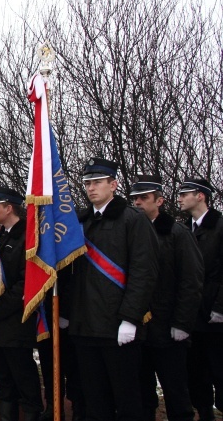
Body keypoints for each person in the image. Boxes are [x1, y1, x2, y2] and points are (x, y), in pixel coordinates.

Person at [65, 158, 159, 421]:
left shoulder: (133, 220)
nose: (91, 188)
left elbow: (144, 273)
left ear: (113, 184)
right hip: (85, 326)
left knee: (127, 398)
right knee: (95, 399)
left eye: (97, 182)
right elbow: (71, 274)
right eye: (87, 183)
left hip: (118, 327)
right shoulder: (80, 223)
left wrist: (130, 318)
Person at [130, 174, 203, 421]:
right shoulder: (129, 232)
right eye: (135, 199)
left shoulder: (177, 233)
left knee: (175, 392)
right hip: (138, 327)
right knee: (142, 393)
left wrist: (182, 323)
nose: (138, 203)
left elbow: (190, 281)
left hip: (169, 327)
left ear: (159, 201)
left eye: (144, 198)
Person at [0, 186, 43, 421]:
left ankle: (32, 412)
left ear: (8, 208)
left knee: (22, 374)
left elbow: (26, 282)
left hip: (16, 319)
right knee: (3, 375)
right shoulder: (0, 237)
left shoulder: (27, 237)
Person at [177, 177, 223, 421]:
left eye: (186, 194)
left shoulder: (220, 226)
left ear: (201, 196)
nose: (180, 198)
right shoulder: (185, 229)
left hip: (215, 316)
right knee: (196, 371)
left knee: (219, 368)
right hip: (192, 314)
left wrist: (220, 307)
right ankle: (204, 411)